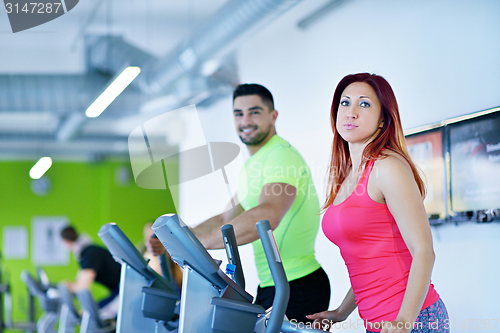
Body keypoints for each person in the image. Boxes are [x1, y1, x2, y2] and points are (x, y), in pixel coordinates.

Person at [148, 83, 330, 323]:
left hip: (298, 284)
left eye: (254, 112)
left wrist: (197, 246)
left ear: (273, 116)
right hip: (272, 285)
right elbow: (225, 218)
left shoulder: (281, 156)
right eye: (238, 113)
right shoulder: (252, 165)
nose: (245, 120)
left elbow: (268, 214)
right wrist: (182, 239)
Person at [306, 73, 449, 333]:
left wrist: (404, 322)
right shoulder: (348, 174)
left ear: (383, 119)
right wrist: (340, 312)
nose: (351, 112)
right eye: (345, 103)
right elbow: (366, 262)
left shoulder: (387, 167)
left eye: (364, 104)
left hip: (414, 320)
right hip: (381, 322)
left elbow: (424, 251)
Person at [60, 225, 121, 319]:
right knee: (92, 314)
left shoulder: (90, 254)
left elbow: (83, 286)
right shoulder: (87, 252)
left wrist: (64, 287)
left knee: (95, 316)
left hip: (125, 289)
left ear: (66, 241)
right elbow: (79, 281)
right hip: (117, 289)